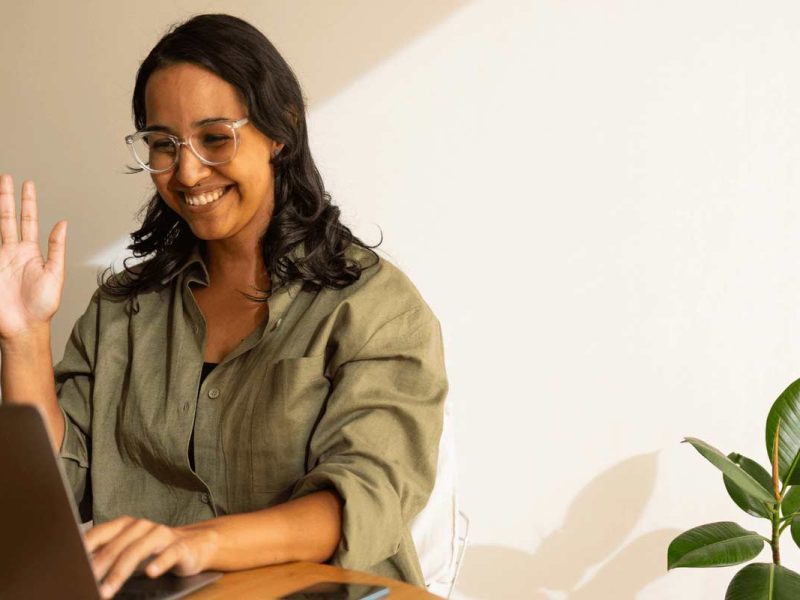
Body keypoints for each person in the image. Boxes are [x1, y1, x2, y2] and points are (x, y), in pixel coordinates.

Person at [0, 13, 447, 599]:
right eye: (164, 145)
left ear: (281, 128)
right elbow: (54, 496)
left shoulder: (373, 307)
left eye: (215, 138)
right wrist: (24, 336)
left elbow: (362, 499)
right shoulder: (122, 311)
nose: (187, 172)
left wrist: (195, 543)